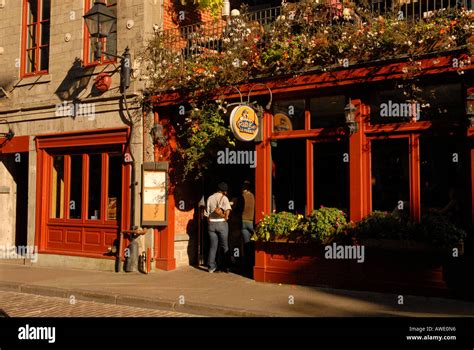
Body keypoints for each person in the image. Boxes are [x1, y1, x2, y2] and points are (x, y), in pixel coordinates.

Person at [206, 182, 232, 273]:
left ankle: (211, 267)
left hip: (211, 224)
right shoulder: (224, 198)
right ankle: (226, 267)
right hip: (221, 224)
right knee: (225, 246)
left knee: (213, 246)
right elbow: (228, 209)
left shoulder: (210, 197)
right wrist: (226, 217)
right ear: (224, 191)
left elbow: (207, 212)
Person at [241, 180, 255, 276]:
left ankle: (247, 266)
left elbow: (237, 208)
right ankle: (254, 263)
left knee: (246, 245)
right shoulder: (254, 196)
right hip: (251, 222)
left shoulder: (241, 197)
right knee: (254, 244)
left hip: (243, 222)